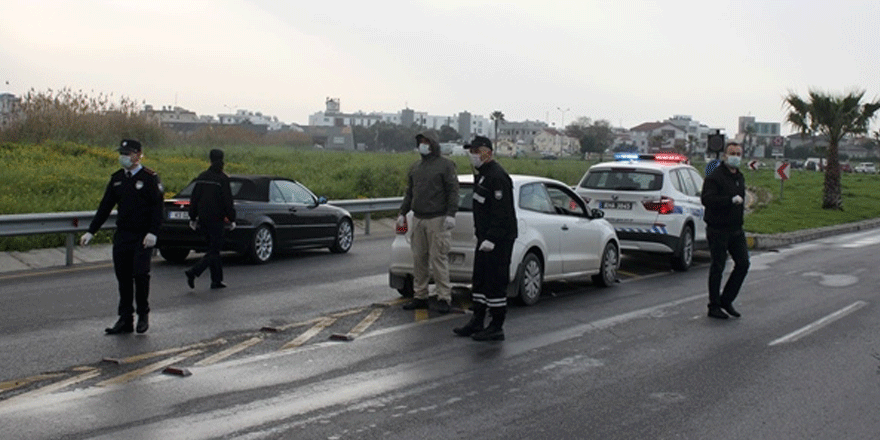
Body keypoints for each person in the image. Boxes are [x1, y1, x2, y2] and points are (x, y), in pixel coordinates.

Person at [79, 139, 164, 334]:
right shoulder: (118, 179)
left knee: (140, 275)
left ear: (138, 155)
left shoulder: (150, 178)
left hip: (143, 236)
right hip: (123, 235)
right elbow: (105, 207)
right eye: (122, 153)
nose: (124, 157)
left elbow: (157, 208)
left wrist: (153, 232)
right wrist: (91, 231)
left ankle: (143, 314)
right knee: (123, 278)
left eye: (128, 153)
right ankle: (125, 318)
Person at [453, 136, 517, 341]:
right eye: (470, 151)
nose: (472, 155)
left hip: (498, 240)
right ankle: (477, 320)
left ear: (486, 152)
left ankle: (496, 326)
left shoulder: (497, 177)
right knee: (480, 281)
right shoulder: (482, 176)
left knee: (495, 282)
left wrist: (491, 238)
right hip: (484, 239)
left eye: (475, 151)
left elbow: (502, 213)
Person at [398, 133, 459, 313]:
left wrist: (451, 213)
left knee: (438, 258)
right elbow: (410, 192)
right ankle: (420, 295)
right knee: (419, 259)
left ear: (433, 145)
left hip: (437, 219)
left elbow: (453, 191)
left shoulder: (445, 165)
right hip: (418, 218)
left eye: (426, 142)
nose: (423, 146)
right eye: (420, 142)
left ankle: (443, 297)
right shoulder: (415, 167)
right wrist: (403, 212)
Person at [701, 141, 750, 319]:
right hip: (718, 229)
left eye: (738, 154)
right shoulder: (715, 176)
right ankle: (713, 306)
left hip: (736, 229)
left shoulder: (739, 177)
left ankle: (726, 299)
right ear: (724, 156)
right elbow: (707, 199)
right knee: (718, 267)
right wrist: (729, 200)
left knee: (743, 263)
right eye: (732, 153)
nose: (735, 157)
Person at [185, 149, 237, 290]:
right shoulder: (222, 179)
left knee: (212, 250)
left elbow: (194, 198)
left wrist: (192, 217)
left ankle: (216, 280)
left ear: (210, 159)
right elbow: (228, 201)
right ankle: (193, 272)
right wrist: (232, 219)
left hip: (203, 219)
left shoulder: (202, 177)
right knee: (215, 250)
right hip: (216, 220)